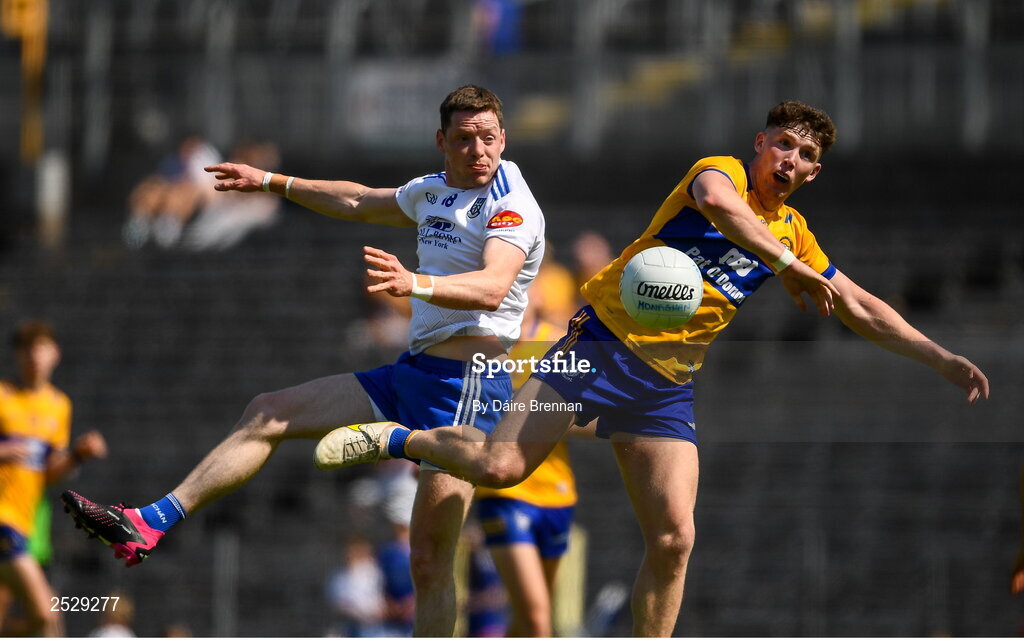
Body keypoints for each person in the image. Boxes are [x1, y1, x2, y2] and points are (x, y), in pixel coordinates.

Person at [314, 100, 991, 636]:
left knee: (675, 536)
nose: (791, 158)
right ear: (760, 144)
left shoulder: (794, 233)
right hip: (591, 353)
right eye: (783, 143)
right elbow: (724, 211)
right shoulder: (717, 172)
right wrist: (790, 267)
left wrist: (938, 355)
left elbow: (860, 303)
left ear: (815, 173)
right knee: (499, 469)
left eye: (806, 154)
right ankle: (398, 438)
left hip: (663, 392)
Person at [61, 85, 547, 637]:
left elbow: (492, 286)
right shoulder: (434, 190)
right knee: (268, 411)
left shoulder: (512, 202)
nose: (478, 150)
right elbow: (360, 199)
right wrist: (271, 182)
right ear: (442, 141)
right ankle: (149, 523)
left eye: (488, 138)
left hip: (464, 387)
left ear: (503, 139)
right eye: (464, 139)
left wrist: (415, 282)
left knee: (429, 564)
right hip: (412, 372)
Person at [473, 292, 577, 637]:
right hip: (502, 492)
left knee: (528, 619)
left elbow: (593, 416)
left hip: (557, 493)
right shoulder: (478, 348)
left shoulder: (560, 344)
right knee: (537, 618)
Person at [0, 321, 108, 637]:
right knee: (49, 615)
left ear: (55, 354)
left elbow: (48, 474)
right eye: (28, 349)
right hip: (2, 520)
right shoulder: (3, 395)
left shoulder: (59, 406)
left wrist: (77, 456)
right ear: (17, 355)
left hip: (25, 523)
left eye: (42, 348)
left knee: (39, 619)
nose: (35, 356)